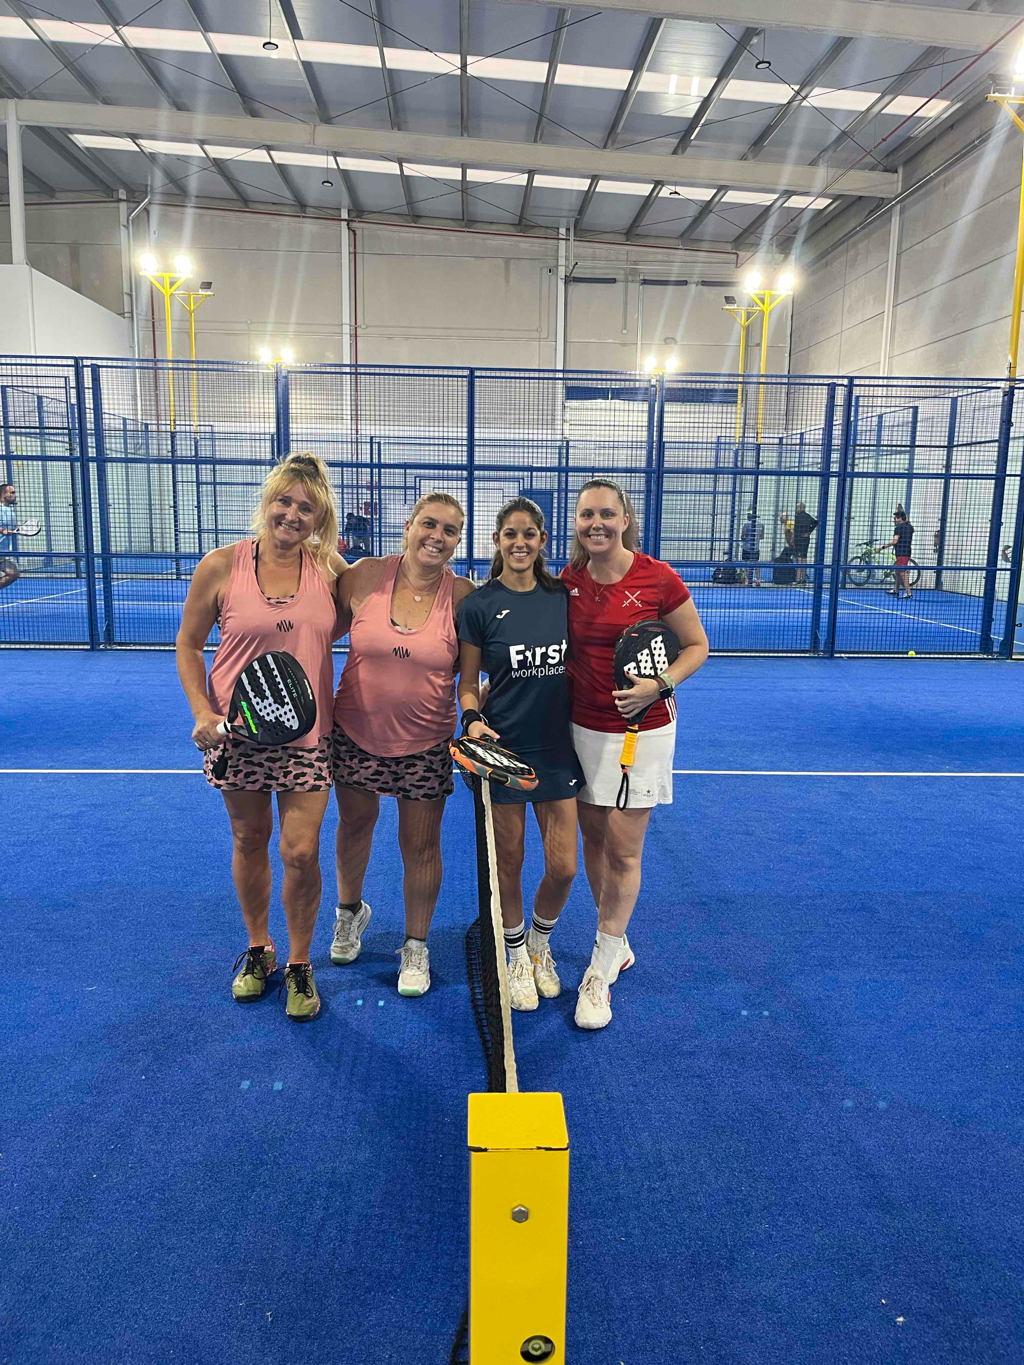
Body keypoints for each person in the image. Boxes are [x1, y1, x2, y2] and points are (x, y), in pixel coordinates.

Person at [176, 453, 346, 1021]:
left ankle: (299, 962)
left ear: (320, 519)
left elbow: (360, 617)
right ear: (267, 502)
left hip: (308, 738)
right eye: (284, 501)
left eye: (307, 508)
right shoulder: (221, 566)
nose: (293, 514)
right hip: (238, 736)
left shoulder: (328, 570)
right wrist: (201, 710)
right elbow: (188, 645)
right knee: (249, 839)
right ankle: (258, 948)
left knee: (300, 851)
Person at [561, 478, 709, 1031]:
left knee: (623, 852)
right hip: (580, 731)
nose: (596, 524)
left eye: (606, 514)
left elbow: (696, 645)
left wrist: (659, 685)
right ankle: (615, 940)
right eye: (586, 515)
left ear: (625, 519)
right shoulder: (568, 581)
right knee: (594, 840)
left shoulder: (658, 578)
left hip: (641, 734)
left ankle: (601, 966)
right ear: (577, 523)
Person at [330, 491, 475, 998]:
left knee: (420, 845)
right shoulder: (364, 576)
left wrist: (479, 719)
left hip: (425, 742)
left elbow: (473, 676)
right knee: (355, 825)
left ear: (458, 541)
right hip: (353, 732)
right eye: (428, 524)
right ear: (408, 526)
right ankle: (349, 912)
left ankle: (415, 945)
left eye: (450, 530)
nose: (437, 536)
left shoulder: (464, 598)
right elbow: (312, 630)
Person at [457, 496, 584, 1012]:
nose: (520, 542)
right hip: (504, 751)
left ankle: (538, 943)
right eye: (510, 533)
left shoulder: (562, 598)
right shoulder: (479, 605)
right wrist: (472, 720)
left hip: (556, 750)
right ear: (497, 540)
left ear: (542, 541)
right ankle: (513, 955)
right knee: (508, 862)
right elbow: (468, 682)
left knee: (564, 867)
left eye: (529, 533)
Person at [877, 509, 915, 600]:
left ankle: (908, 593)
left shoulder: (898, 528)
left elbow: (895, 541)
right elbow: (911, 527)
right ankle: (896, 590)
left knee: (902, 572)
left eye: (895, 518)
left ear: (900, 518)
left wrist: (881, 547)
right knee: (897, 571)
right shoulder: (910, 527)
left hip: (902, 553)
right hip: (906, 552)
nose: (894, 520)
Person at [0, 483, 20, 592]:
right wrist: (2, 530)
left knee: (13, 574)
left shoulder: (10, 510)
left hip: (4, 551)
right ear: (3, 494)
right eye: (12, 493)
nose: (14, 495)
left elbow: (12, 528)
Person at [792, 502, 818, 584]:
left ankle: (798, 578)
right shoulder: (808, 516)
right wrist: (809, 531)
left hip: (799, 539)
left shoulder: (798, 517)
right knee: (804, 557)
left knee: (799, 558)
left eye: (797, 507)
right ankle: (803, 577)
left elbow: (796, 529)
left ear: (800, 508)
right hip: (806, 539)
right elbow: (815, 522)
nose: (796, 509)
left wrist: (793, 539)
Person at [740, 509, 764, 585]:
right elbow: (762, 536)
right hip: (756, 547)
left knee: (747, 563)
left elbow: (742, 536)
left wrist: (746, 538)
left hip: (747, 547)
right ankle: (758, 580)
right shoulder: (761, 524)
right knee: (756, 563)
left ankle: (748, 579)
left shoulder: (746, 524)